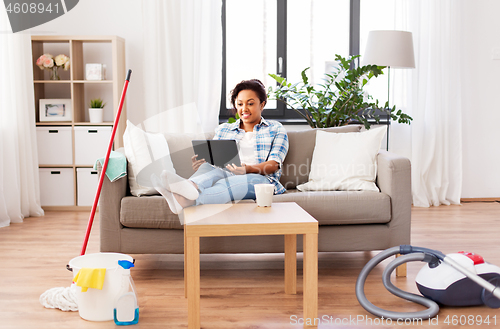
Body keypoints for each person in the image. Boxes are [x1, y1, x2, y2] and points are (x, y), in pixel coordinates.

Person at [153, 79, 289, 214]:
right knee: (208, 167)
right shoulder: (224, 129)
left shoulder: (275, 128)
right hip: (225, 172)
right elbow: (214, 160)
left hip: (259, 179)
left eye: (250, 103)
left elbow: (274, 164)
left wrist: (247, 169)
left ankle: (183, 200)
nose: (244, 109)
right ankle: (191, 185)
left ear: (262, 104)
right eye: (240, 104)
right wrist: (201, 163)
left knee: (225, 184)